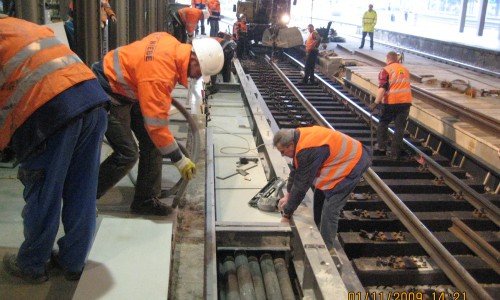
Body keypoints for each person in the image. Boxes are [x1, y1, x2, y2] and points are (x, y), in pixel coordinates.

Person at [0, 15, 109, 283]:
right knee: (81, 188)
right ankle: (73, 261)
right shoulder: (15, 25)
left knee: (43, 191)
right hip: (91, 97)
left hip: (51, 109)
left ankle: (32, 264)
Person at [92, 33, 224, 215]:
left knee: (153, 142)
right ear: (195, 61)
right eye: (200, 73)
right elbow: (156, 126)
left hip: (127, 88)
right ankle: (84, 198)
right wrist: (179, 159)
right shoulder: (160, 77)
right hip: (107, 92)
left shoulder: (170, 41)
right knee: (128, 154)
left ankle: (144, 200)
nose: (198, 77)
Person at [275, 126, 371, 250]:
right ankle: (318, 228)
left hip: (354, 162)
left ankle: (326, 247)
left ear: (290, 145)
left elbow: (301, 185)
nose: (283, 155)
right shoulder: (298, 139)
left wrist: (287, 214)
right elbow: (296, 170)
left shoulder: (307, 150)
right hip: (342, 158)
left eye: (282, 151)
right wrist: (288, 194)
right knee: (320, 192)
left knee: (330, 208)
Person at [370, 51, 412, 160]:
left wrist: (376, 102)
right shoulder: (405, 70)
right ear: (396, 59)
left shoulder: (386, 70)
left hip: (391, 102)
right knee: (400, 128)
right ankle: (395, 153)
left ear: (387, 59)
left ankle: (381, 146)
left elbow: (383, 87)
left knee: (383, 123)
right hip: (406, 102)